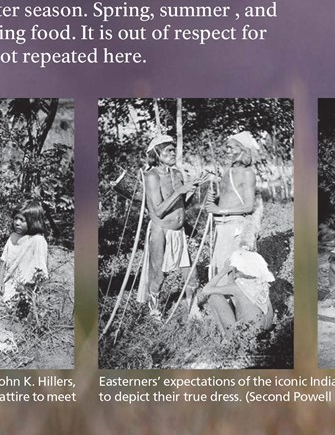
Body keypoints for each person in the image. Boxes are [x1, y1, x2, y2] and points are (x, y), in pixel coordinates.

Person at [112, 133, 198, 313]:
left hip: (179, 232)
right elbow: (158, 211)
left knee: (191, 274)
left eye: (174, 150)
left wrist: (192, 188)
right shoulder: (151, 176)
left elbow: (181, 205)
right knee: (159, 275)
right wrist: (180, 191)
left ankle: (193, 310)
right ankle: (154, 309)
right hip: (161, 231)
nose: (173, 154)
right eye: (168, 151)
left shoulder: (176, 173)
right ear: (157, 154)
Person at [203, 130, 260, 275]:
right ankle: (223, 296)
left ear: (242, 150)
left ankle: (237, 297)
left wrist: (219, 210)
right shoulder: (227, 171)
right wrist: (213, 198)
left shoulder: (247, 173)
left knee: (235, 268)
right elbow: (227, 198)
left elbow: (248, 206)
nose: (227, 151)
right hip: (221, 225)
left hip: (236, 227)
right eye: (226, 147)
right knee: (221, 267)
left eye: (231, 148)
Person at [0, 201, 50, 303]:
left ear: (33, 221)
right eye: (15, 219)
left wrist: (27, 288)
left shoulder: (37, 241)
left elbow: (40, 270)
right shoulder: (13, 236)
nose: (17, 223)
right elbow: (3, 260)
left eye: (22, 220)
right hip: (5, 276)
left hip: (21, 284)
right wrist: (0, 281)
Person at [198, 248, 275, 332]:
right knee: (237, 300)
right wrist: (231, 272)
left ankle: (226, 339)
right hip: (266, 330)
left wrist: (224, 271)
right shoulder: (261, 281)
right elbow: (232, 288)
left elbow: (206, 290)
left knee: (214, 296)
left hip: (248, 335)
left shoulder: (236, 287)